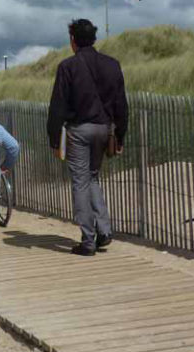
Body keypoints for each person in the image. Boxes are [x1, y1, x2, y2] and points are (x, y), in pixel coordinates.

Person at [47, 19, 128, 256]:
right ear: (94, 39)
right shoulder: (113, 65)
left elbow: (57, 106)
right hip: (105, 129)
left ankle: (88, 240)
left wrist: (54, 140)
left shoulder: (67, 67)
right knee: (92, 178)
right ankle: (104, 231)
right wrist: (120, 136)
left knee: (81, 182)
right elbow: (122, 104)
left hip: (79, 131)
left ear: (72, 40)